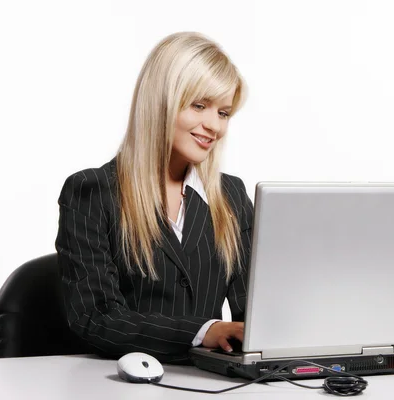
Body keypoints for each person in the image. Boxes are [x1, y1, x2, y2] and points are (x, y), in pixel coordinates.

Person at [54, 32, 253, 364]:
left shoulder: (230, 195)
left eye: (223, 113)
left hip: (211, 382)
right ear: (161, 102)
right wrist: (205, 331)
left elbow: (256, 314)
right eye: (199, 106)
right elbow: (97, 318)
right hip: (120, 380)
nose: (213, 126)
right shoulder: (92, 191)